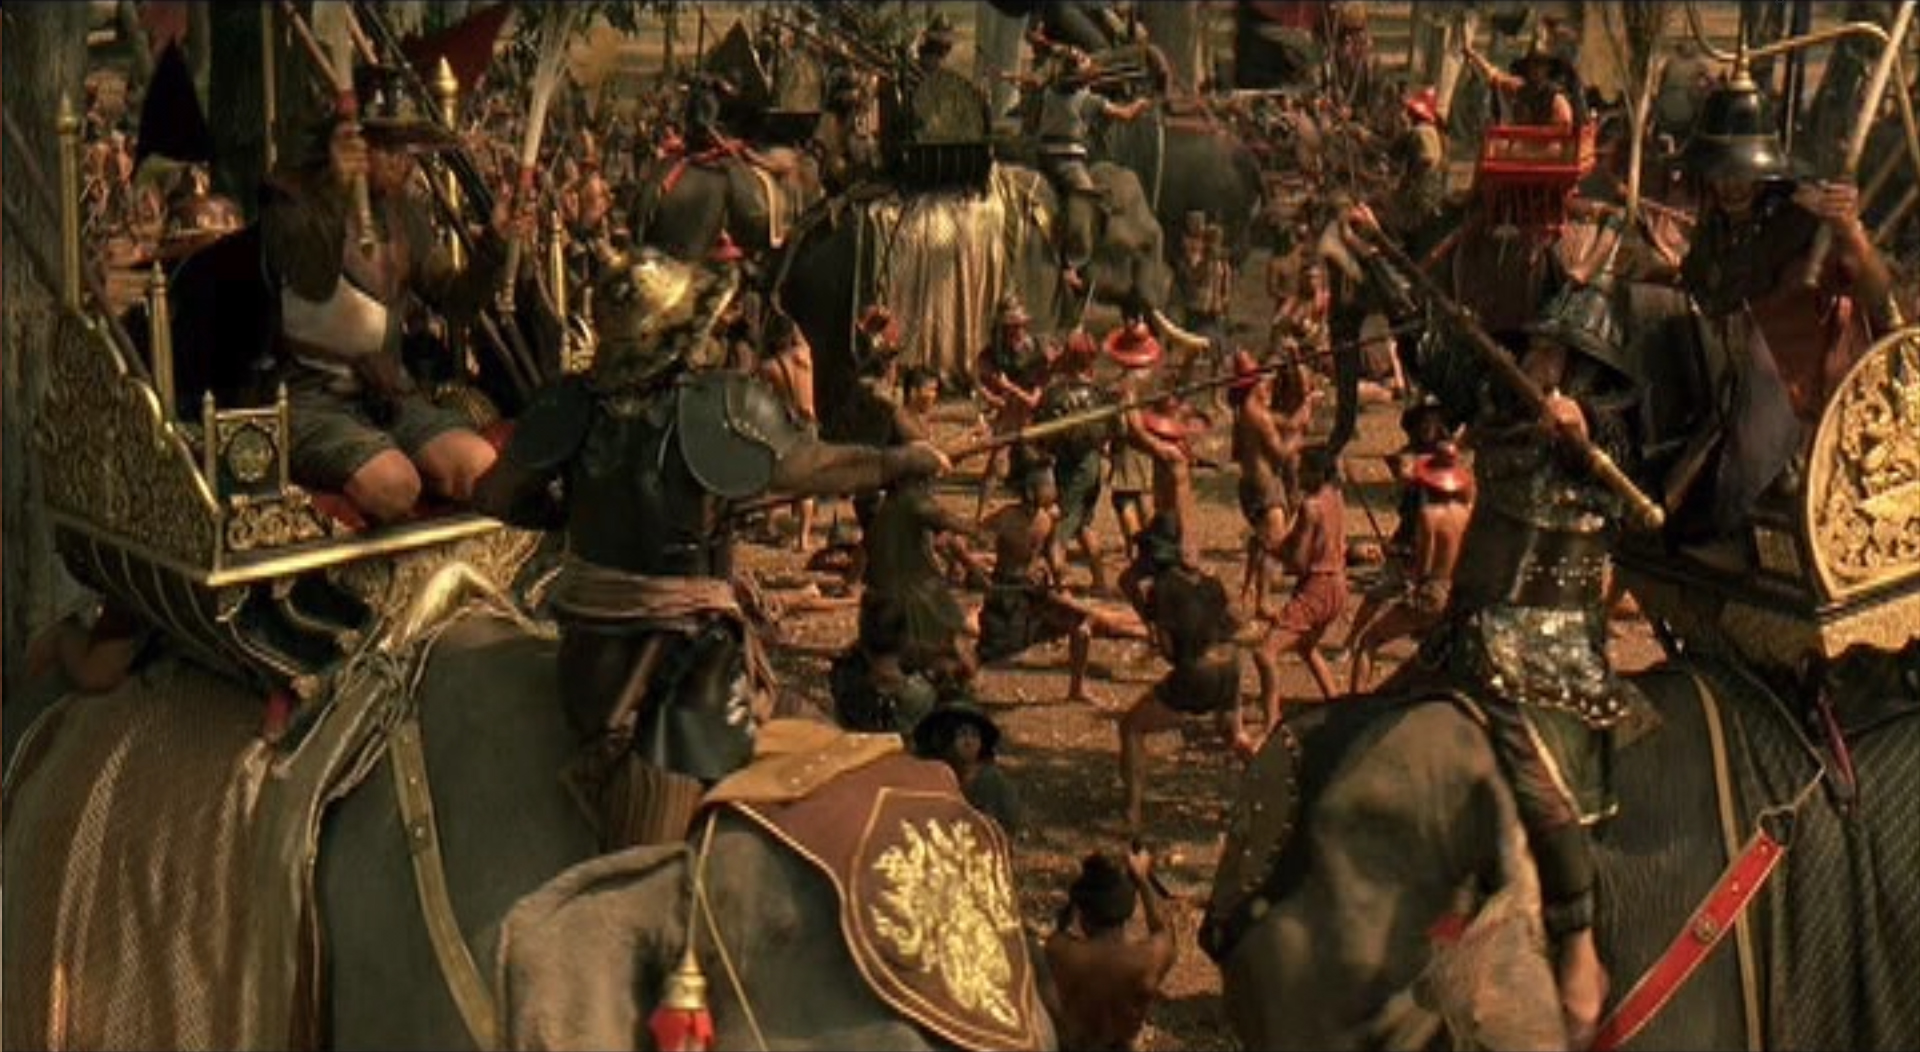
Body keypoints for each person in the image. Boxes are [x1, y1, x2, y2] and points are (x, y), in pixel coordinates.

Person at [470, 250, 950, 851]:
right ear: (679, 338)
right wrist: (895, 461)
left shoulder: (568, 403)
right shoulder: (719, 404)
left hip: (591, 656)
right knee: (656, 852)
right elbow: (811, 465)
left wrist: (565, 514)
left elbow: (494, 494)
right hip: (684, 663)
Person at [1378, 274, 1646, 1044]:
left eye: (1554, 353)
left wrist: (1582, 428)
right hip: (1469, 626)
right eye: (1535, 346)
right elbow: (1443, 360)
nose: (1534, 359)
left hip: (1547, 648)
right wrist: (1378, 265)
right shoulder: (1504, 403)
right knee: (1381, 729)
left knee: (1540, 784)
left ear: (1583, 370)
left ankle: (1580, 950)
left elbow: (1618, 454)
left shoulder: (1602, 437)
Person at [261, 66, 525, 524]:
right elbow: (309, 276)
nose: (403, 161)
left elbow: (455, 302)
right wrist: (337, 192)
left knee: (478, 466)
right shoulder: (294, 202)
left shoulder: (405, 216)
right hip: (311, 400)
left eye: (406, 148)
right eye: (388, 146)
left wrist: (494, 245)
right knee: (394, 485)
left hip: (388, 395)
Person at [1671, 62, 1897, 553]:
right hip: (1724, 388)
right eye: (1722, 173)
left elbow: (1878, 293)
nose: (1731, 186)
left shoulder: (1801, 222)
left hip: (1798, 389)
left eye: (1741, 174)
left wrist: (1850, 231)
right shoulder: (1716, 226)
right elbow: (1699, 287)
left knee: (1762, 364)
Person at [1116, 517, 1247, 833]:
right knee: (1234, 737)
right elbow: (1236, 621)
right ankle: (1267, 789)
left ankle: (1132, 814)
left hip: (1198, 673)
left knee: (1131, 727)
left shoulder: (1163, 589)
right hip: (1231, 666)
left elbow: (1169, 651)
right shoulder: (1211, 582)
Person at [976, 470, 1146, 704]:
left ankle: (1077, 689)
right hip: (1008, 593)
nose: (1054, 490)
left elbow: (1052, 552)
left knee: (1081, 623)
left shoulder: (1044, 518)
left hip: (1036, 589)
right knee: (994, 648)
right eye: (1049, 485)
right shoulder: (1007, 517)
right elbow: (972, 535)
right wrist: (975, 566)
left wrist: (1059, 577)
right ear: (1031, 491)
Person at [1346, 440, 1473, 693]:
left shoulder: (1429, 516)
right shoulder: (1465, 512)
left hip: (1431, 595)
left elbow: (1423, 568)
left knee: (1369, 641)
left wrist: (1401, 560)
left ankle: (1353, 704)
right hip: (1455, 595)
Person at [1250, 444, 1348, 736]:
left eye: (1304, 470)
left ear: (1317, 472)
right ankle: (1336, 704)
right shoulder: (1336, 496)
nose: (1299, 476)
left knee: (1265, 654)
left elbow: (1299, 561)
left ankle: (1272, 722)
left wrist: (1270, 546)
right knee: (1306, 647)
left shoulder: (1310, 507)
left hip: (1317, 587)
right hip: (1339, 585)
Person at [1036, 50, 1152, 292]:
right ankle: (1072, 264)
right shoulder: (1086, 100)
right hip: (1067, 162)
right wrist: (1140, 104)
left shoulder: (1049, 92)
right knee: (1085, 199)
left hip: (1041, 154)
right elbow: (1125, 114)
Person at [1043, 848, 1178, 1052]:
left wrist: (1075, 899)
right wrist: (1142, 878)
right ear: (1126, 912)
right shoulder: (1146, 959)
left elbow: (1061, 928)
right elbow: (1164, 930)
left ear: (1083, 916)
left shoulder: (1061, 952)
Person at [1036, 331, 1115, 594]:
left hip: (1072, 468)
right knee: (1082, 525)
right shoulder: (1100, 395)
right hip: (1092, 465)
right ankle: (1100, 582)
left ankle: (1060, 587)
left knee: (1057, 531)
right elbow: (1110, 432)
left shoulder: (1056, 395)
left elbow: (1041, 434)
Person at [1230, 351, 1300, 616]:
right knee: (1274, 543)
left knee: (1260, 542)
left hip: (1249, 485)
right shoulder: (1258, 415)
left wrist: (1303, 411)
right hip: (1265, 486)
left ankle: (1248, 591)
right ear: (1254, 385)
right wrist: (1297, 440)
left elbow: (1236, 452)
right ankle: (1264, 602)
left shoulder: (1241, 415)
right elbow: (1281, 453)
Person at [912, 699, 1023, 836]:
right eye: (963, 734)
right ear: (944, 740)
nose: (969, 742)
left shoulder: (992, 783)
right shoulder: (926, 777)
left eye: (974, 735)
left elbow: (999, 833)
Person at [1104, 320, 1170, 545]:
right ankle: (1149, 546)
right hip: (1148, 441)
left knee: (1125, 498)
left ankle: (1138, 547)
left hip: (1130, 444)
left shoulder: (1122, 386)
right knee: (1144, 494)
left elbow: (1124, 424)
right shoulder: (1154, 379)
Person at [757, 313, 819, 550]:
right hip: (809, 422)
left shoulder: (768, 367)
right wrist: (787, 317)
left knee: (775, 477)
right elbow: (800, 335)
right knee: (807, 482)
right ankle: (803, 538)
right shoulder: (805, 354)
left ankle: (770, 526)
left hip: (786, 425)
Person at [1464, 29, 1576, 130]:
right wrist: (1473, 54)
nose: (1536, 69)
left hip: (1546, 146)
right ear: (1527, 66)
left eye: (1540, 65)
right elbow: (1493, 74)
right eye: (1533, 64)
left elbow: (1563, 134)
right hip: (1519, 144)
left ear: (1547, 69)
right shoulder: (1518, 88)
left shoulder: (1557, 101)